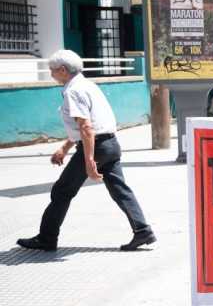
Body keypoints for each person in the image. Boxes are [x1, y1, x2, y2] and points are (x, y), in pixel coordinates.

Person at [17, 50, 155, 252]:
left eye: (53, 71)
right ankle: (143, 230)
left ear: (63, 70)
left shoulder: (74, 91)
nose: (52, 74)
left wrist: (89, 160)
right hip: (110, 144)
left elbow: (86, 127)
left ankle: (46, 238)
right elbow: (86, 127)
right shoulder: (88, 85)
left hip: (96, 147)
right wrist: (65, 148)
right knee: (119, 189)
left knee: (62, 190)